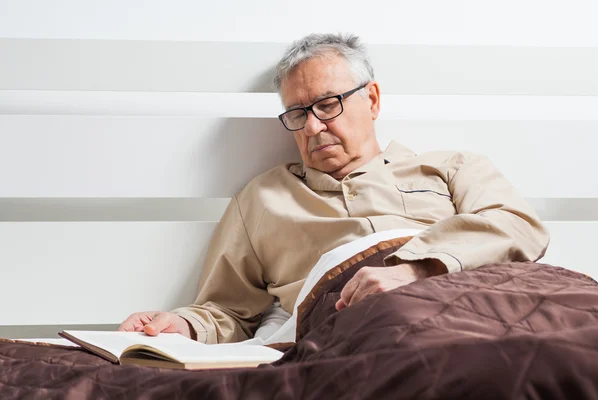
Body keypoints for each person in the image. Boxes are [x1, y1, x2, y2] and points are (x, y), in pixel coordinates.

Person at [119, 33, 549, 344]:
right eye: (296, 113)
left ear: (373, 100)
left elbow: (518, 228)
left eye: (328, 104)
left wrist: (414, 270)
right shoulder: (263, 199)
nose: (312, 126)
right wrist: (180, 327)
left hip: (472, 305)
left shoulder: (452, 167)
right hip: (353, 327)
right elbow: (228, 311)